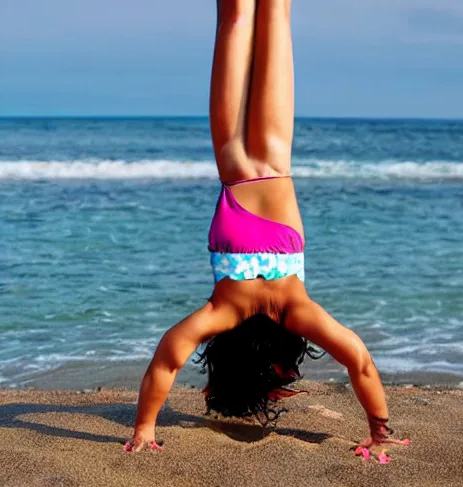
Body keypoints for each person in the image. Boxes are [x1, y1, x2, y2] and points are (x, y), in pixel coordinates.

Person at [125, 0, 409, 463]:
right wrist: (144, 427)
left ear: (275, 365)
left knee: (275, 15)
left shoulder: (296, 308)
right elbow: (167, 361)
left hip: (275, 158)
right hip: (234, 164)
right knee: (236, 17)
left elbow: (359, 360)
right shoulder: (222, 310)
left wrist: (379, 430)